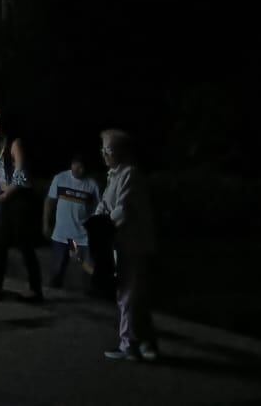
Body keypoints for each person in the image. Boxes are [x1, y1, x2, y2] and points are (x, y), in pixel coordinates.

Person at [98, 129, 159, 361]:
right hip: (123, 245)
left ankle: (130, 344)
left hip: (134, 246)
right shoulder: (114, 175)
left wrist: (101, 226)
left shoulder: (129, 175)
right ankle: (143, 343)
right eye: (103, 149)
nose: (104, 154)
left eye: (108, 150)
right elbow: (104, 206)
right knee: (133, 296)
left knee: (129, 296)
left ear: (121, 152)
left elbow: (121, 210)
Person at [0, 137, 43, 301]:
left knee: (24, 243)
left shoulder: (15, 143)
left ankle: (35, 290)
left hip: (20, 199)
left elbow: (20, 173)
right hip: (7, 200)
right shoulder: (0, 145)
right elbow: (0, 173)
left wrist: (6, 194)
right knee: (0, 243)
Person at [46, 153, 102, 289]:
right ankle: (53, 299)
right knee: (57, 271)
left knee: (89, 271)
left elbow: (99, 210)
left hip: (82, 238)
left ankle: (94, 300)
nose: (77, 168)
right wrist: (46, 223)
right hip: (62, 236)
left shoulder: (92, 185)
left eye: (81, 166)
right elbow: (49, 202)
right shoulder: (60, 178)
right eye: (75, 164)